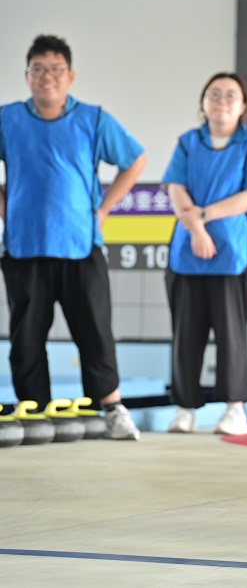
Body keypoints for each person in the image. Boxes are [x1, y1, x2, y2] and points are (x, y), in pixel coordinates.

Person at [0, 34, 146, 440]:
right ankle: (34, 414)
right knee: (27, 337)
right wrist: (6, 207)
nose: (47, 76)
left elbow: (135, 160)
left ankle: (111, 408)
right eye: (39, 69)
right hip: (24, 247)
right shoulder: (8, 119)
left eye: (56, 69)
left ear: (70, 76)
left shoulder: (93, 119)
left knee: (95, 332)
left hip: (81, 245)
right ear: (27, 75)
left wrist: (104, 209)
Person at [162, 73, 247, 436]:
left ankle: (234, 409)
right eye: (214, 94)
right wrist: (197, 230)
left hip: (236, 249)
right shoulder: (187, 142)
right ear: (203, 102)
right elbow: (176, 189)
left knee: (231, 332)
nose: (222, 101)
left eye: (231, 95)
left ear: (243, 105)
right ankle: (185, 408)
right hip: (187, 249)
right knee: (186, 332)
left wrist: (204, 215)